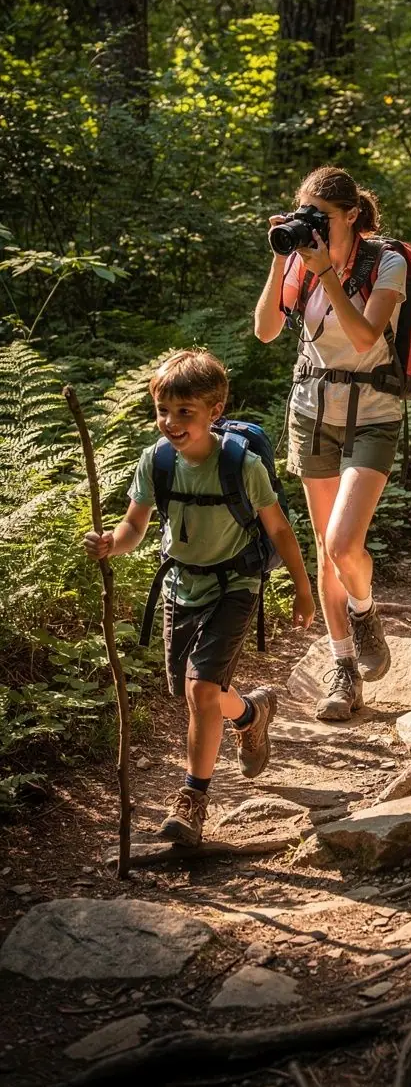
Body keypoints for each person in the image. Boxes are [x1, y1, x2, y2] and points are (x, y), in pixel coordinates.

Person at [82, 349, 315, 845]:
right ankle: (252, 714)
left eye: (185, 412)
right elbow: (135, 526)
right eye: (163, 410)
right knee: (198, 693)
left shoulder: (242, 465)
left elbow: (279, 529)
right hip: (180, 586)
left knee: (200, 692)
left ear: (215, 410)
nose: (171, 422)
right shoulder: (157, 461)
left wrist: (302, 586)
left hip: (235, 584)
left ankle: (192, 801)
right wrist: (111, 545)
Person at [254, 167, 407, 721]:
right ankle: (344, 668)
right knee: (325, 547)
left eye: (319, 215)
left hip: (372, 411)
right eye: (303, 213)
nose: (310, 225)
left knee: (345, 544)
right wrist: (281, 259)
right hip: (312, 411)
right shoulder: (299, 261)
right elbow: (266, 330)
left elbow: (366, 335)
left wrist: (328, 275)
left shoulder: (385, 263)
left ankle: (365, 613)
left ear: (349, 216)